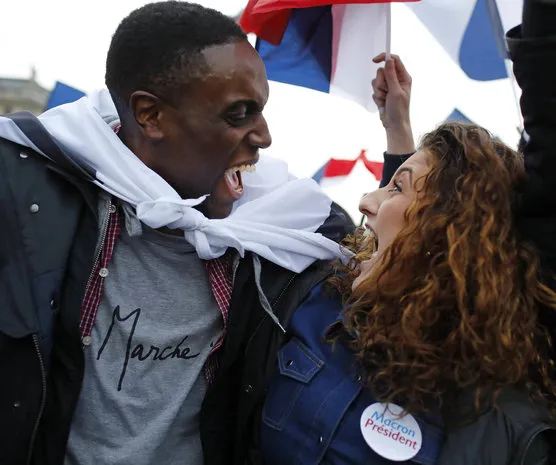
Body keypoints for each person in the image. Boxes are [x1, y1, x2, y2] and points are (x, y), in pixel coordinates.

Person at [259, 0, 556, 464]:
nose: (364, 203)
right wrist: (397, 130)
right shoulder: (314, 304)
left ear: (451, 235)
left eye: (395, 187)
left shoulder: (501, 386)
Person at [0, 3, 350, 465]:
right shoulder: (28, 197)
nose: (263, 137)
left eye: (260, 110)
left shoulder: (284, 230)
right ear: (150, 116)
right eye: (238, 113)